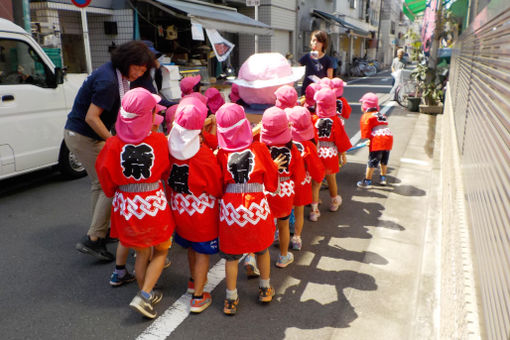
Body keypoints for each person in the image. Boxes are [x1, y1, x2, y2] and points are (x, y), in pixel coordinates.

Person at [65, 41, 154, 262]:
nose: (140, 74)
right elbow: (91, 117)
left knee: (100, 184)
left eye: (144, 70)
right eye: (138, 68)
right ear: (127, 62)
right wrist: (114, 141)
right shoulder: (109, 82)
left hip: (86, 135)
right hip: (84, 137)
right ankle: (93, 239)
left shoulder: (116, 75)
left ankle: (99, 231)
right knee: (109, 184)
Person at [95, 87, 175, 319]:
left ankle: (144, 292)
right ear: (148, 117)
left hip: (126, 204)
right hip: (153, 203)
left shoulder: (112, 144)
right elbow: (165, 171)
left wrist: (117, 190)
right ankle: (144, 294)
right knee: (161, 249)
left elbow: (105, 178)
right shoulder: (159, 140)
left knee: (141, 253)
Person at [215, 103, 285, 315]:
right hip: (256, 204)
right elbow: (271, 181)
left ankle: (230, 299)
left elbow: (219, 186)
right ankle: (265, 288)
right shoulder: (259, 148)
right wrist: (273, 166)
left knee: (231, 255)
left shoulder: (221, 154)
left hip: (231, 206)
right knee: (262, 248)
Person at [167, 97, 223, 314]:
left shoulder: (170, 147)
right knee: (202, 252)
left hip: (180, 207)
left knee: (190, 246)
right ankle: (199, 297)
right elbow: (215, 186)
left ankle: (193, 283)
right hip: (202, 211)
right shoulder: (202, 155)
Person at [260, 106, 305, 267]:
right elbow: (299, 176)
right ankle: (283, 256)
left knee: (263, 225)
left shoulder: (261, 147)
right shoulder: (292, 148)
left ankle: (252, 256)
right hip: (285, 189)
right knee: (283, 225)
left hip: (265, 189)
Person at [285, 106, 325, 250]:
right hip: (303, 182)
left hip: (287, 182)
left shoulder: (285, 143)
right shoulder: (308, 145)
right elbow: (316, 167)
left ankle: (280, 233)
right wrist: (319, 178)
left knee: (284, 210)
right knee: (299, 211)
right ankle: (297, 238)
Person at [311, 88, 352, 219]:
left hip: (316, 152)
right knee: (331, 179)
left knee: (316, 183)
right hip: (330, 153)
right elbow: (341, 139)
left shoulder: (313, 119)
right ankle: (334, 202)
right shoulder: (336, 120)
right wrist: (343, 155)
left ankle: (314, 211)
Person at [357, 93, 394, 188]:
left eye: (362, 104)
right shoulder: (381, 114)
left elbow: (365, 130)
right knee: (384, 159)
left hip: (378, 138)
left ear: (366, 105)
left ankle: (367, 181)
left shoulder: (367, 116)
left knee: (373, 159)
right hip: (388, 136)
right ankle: (383, 178)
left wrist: (368, 140)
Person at [298, 30, 333, 95]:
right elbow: (298, 67)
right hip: (307, 89)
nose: (315, 43)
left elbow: (329, 78)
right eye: (313, 40)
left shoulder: (327, 59)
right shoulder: (307, 56)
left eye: (318, 41)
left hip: (321, 92)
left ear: (323, 43)